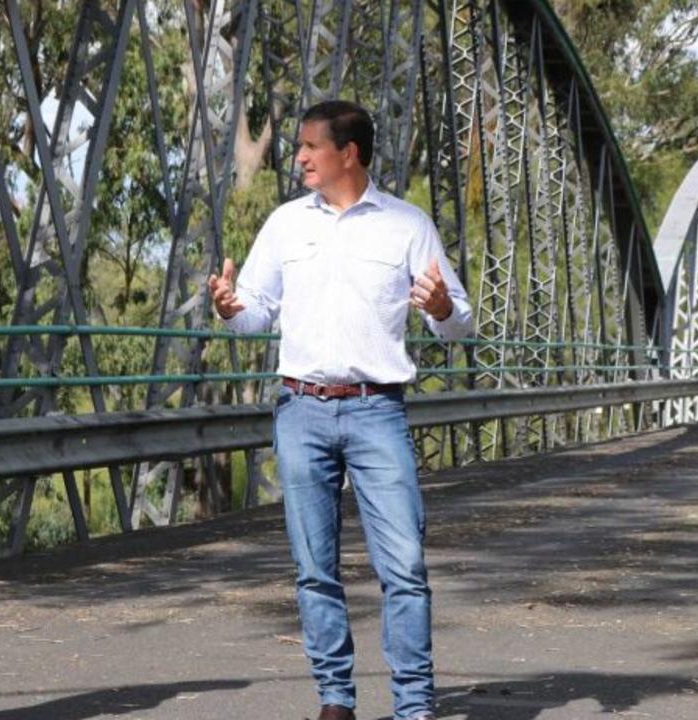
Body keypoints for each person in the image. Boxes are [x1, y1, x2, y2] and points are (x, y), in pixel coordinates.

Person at [209, 100, 472, 720]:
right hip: (300, 410)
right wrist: (227, 306)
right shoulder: (284, 225)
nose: (297, 156)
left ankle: (413, 707)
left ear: (348, 153)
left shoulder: (407, 226)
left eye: (309, 147)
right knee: (313, 570)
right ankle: (335, 701)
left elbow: (457, 325)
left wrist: (438, 307)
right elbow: (253, 315)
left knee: (404, 565)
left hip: (376, 411)